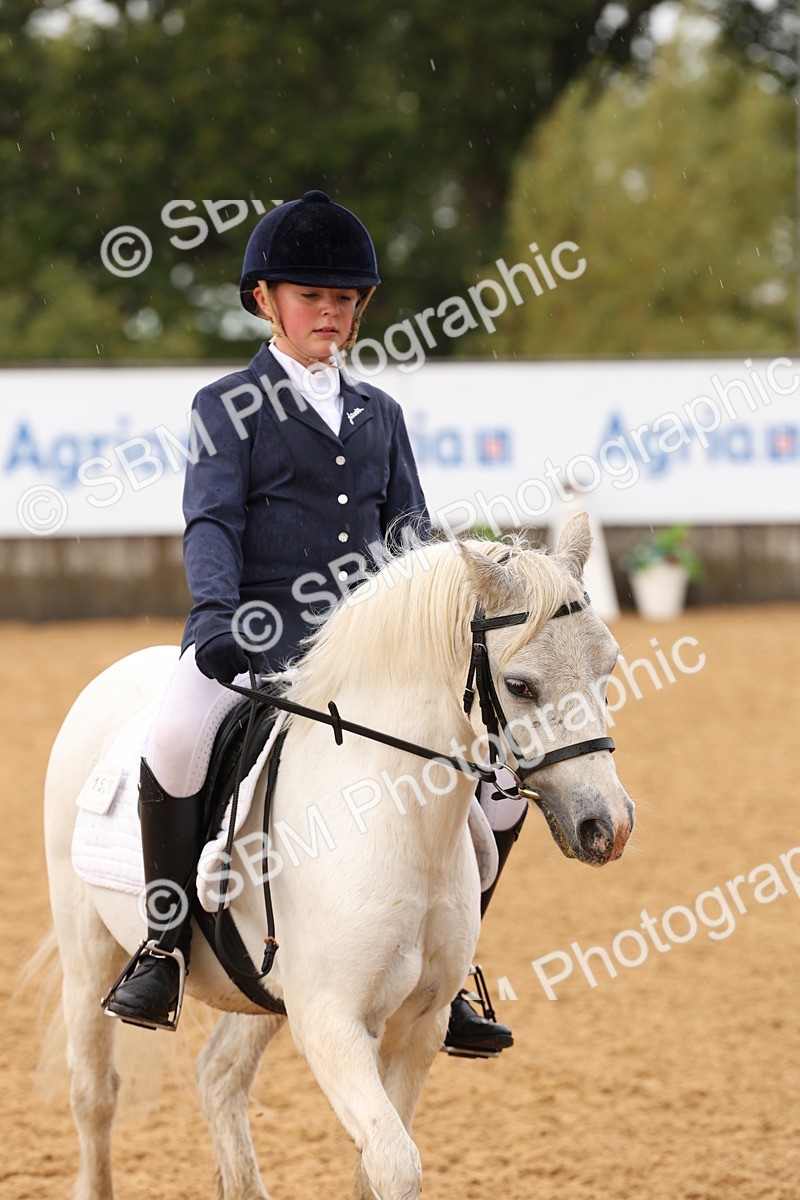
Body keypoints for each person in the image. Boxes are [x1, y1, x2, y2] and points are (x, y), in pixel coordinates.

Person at [104, 190, 524, 1055]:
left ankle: (452, 971)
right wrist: (217, 616)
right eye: (310, 297)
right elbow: (212, 522)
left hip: (368, 655)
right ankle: (163, 946)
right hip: (246, 638)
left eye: (343, 300)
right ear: (266, 299)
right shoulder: (228, 406)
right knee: (177, 740)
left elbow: (410, 535)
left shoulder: (381, 414)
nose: (328, 314)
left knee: (500, 780)